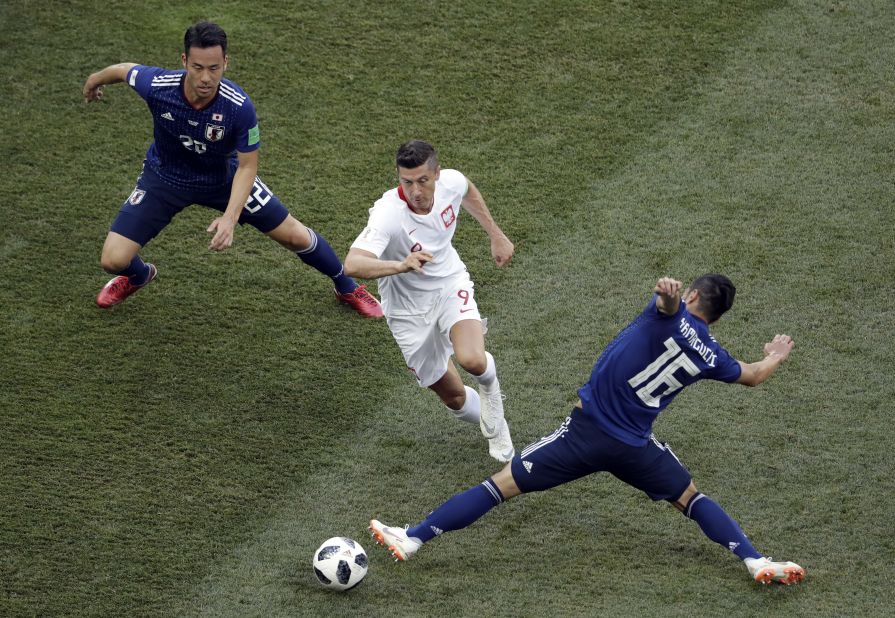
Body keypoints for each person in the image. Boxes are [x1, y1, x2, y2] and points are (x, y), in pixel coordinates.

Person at [369, 275, 807, 586]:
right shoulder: (713, 354)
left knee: (498, 487)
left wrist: (668, 298)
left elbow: (667, 309)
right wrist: (776, 355)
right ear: (718, 315)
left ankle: (413, 538)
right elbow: (752, 375)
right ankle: (753, 559)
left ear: (693, 294)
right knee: (691, 498)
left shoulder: (667, 318)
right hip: (635, 447)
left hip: (584, 435)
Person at [82, 21, 382, 318]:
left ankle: (345, 285)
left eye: (214, 68)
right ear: (184, 60)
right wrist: (95, 80)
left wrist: (230, 217)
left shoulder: (238, 107)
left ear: (225, 62)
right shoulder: (159, 86)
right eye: (198, 67)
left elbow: (248, 166)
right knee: (112, 259)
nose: (205, 77)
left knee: (295, 236)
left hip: (223, 181)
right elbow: (124, 70)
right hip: (165, 178)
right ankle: (139, 275)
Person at [344, 140, 515, 462]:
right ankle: (495, 417)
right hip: (406, 310)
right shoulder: (388, 215)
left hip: (449, 284)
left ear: (436, 174)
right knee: (453, 397)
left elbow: (467, 190)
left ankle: (493, 399)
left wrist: (495, 234)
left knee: (472, 360)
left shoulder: (451, 181)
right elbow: (353, 264)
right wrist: (400, 265)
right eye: (407, 182)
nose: (415, 191)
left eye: (423, 180)